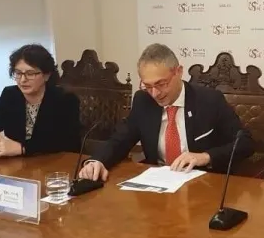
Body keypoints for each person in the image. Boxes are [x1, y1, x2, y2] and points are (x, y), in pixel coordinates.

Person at [78, 43, 254, 181]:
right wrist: (97, 161)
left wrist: (205, 157)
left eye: (161, 84)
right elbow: (120, 140)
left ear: (178, 72)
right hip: (158, 186)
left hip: (204, 185)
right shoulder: (143, 101)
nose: (155, 93)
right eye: (147, 86)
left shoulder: (209, 100)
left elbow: (245, 143)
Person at [0, 44, 81, 158]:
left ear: (46, 75)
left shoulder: (65, 99)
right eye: (18, 73)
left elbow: (67, 142)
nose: (22, 80)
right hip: (17, 164)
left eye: (30, 74)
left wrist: (22, 147)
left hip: (55, 163)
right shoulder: (10, 95)